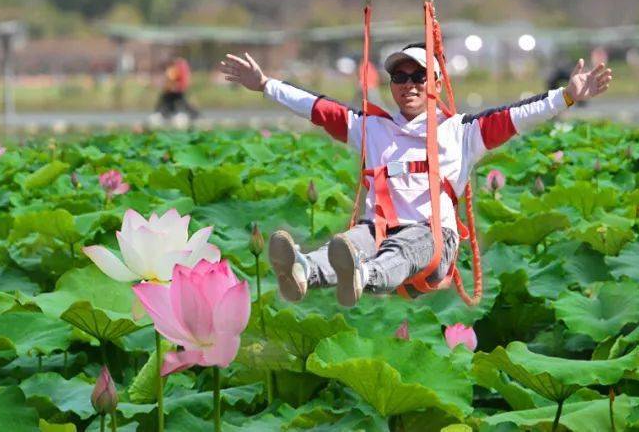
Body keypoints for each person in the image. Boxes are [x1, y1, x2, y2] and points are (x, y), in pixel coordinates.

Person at [219, 44, 612, 307]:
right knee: (353, 239)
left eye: (418, 77)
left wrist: (567, 96)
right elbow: (317, 108)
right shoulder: (370, 127)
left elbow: (517, 116)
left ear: (435, 83)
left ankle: (363, 274)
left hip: (432, 241)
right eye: (400, 78)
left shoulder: (461, 131)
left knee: (401, 248)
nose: (408, 85)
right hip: (380, 228)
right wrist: (266, 86)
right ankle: (302, 271)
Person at [155, 56, 199, 120]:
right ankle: (164, 114)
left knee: (180, 102)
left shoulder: (178, 67)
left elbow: (179, 80)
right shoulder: (175, 67)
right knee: (168, 101)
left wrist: (176, 86)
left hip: (177, 90)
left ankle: (194, 115)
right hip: (173, 90)